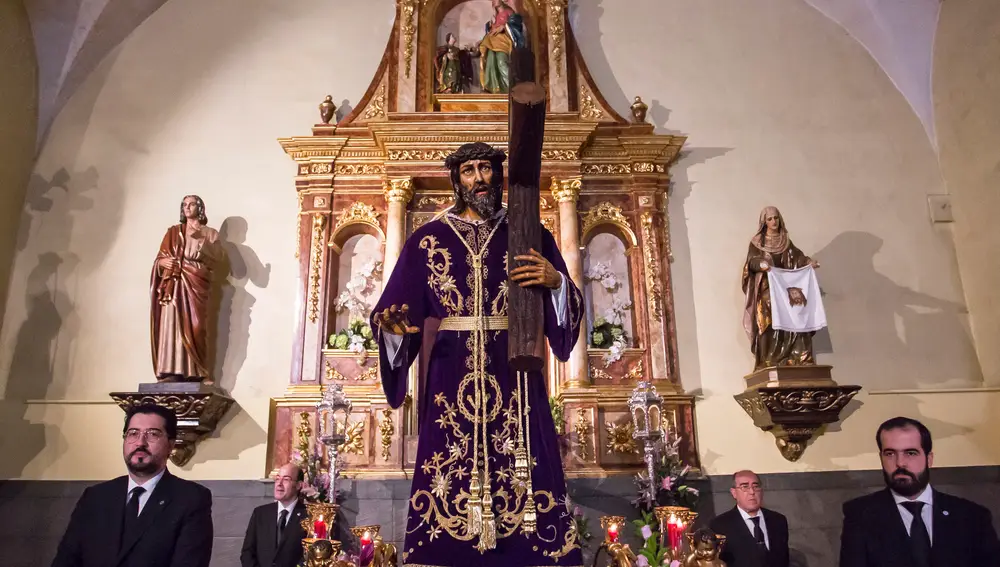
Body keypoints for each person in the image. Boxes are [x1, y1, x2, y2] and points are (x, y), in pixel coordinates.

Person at [370, 142, 584, 567]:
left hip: (516, 372)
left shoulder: (528, 234)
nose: (479, 178)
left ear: (499, 176)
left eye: (486, 168)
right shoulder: (427, 239)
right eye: (468, 171)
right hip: (452, 377)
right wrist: (392, 331)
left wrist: (556, 281)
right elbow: (394, 313)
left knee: (526, 463)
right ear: (457, 180)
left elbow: (568, 306)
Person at [51, 404, 214, 567]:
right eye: (133, 433)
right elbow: (66, 560)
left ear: (171, 444)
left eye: (153, 434)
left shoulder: (190, 499)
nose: (140, 443)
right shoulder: (95, 497)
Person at [839, 416, 1000, 566]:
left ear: (929, 459)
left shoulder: (972, 516)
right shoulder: (860, 515)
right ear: (881, 457)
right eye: (890, 454)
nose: (900, 463)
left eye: (910, 453)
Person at [150, 194, 226, 384]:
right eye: (184, 204)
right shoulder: (174, 232)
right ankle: (170, 371)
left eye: (192, 204)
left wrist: (203, 243)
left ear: (200, 208)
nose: (187, 207)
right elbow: (160, 259)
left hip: (197, 281)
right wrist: (163, 262)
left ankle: (199, 370)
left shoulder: (210, 233)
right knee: (172, 325)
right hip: (174, 282)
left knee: (197, 326)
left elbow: (219, 260)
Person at [741, 206, 819, 370]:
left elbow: (798, 257)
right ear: (764, 222)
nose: (773, 221)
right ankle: (770, 357)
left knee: (798, 305)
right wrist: (760, 264)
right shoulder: (757, 243)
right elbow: (751, 263)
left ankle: (799, 355)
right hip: (768, 287)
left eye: (775, 218)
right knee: (767, 304)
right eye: (769, 219)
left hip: (786, 287)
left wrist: (808, 262)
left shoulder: (786, 242)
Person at [709, 470, 789, 567]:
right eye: (745, 487)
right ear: (734, 493)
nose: (752, 492)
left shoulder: (778, 521)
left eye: (756, 486)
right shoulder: (719, 525)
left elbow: (784, 560)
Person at [241, 463, 308, 567]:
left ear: (299, 485)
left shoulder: (309, 516)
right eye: (277, 478)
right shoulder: (260, 514)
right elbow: (247, 553)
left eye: (286, 479)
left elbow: (308, 557)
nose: (279, 484)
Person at [477, 0, 526, 93]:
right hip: (491, 41)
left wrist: (504, 26)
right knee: (490, 61)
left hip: (503, 41)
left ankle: (509, 88)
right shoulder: (495, 16)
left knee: (501, 61)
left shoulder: (509, 12)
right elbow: (491, 31)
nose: (493, 1)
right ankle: (493, 87)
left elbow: (516, 24)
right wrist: (491, 25)